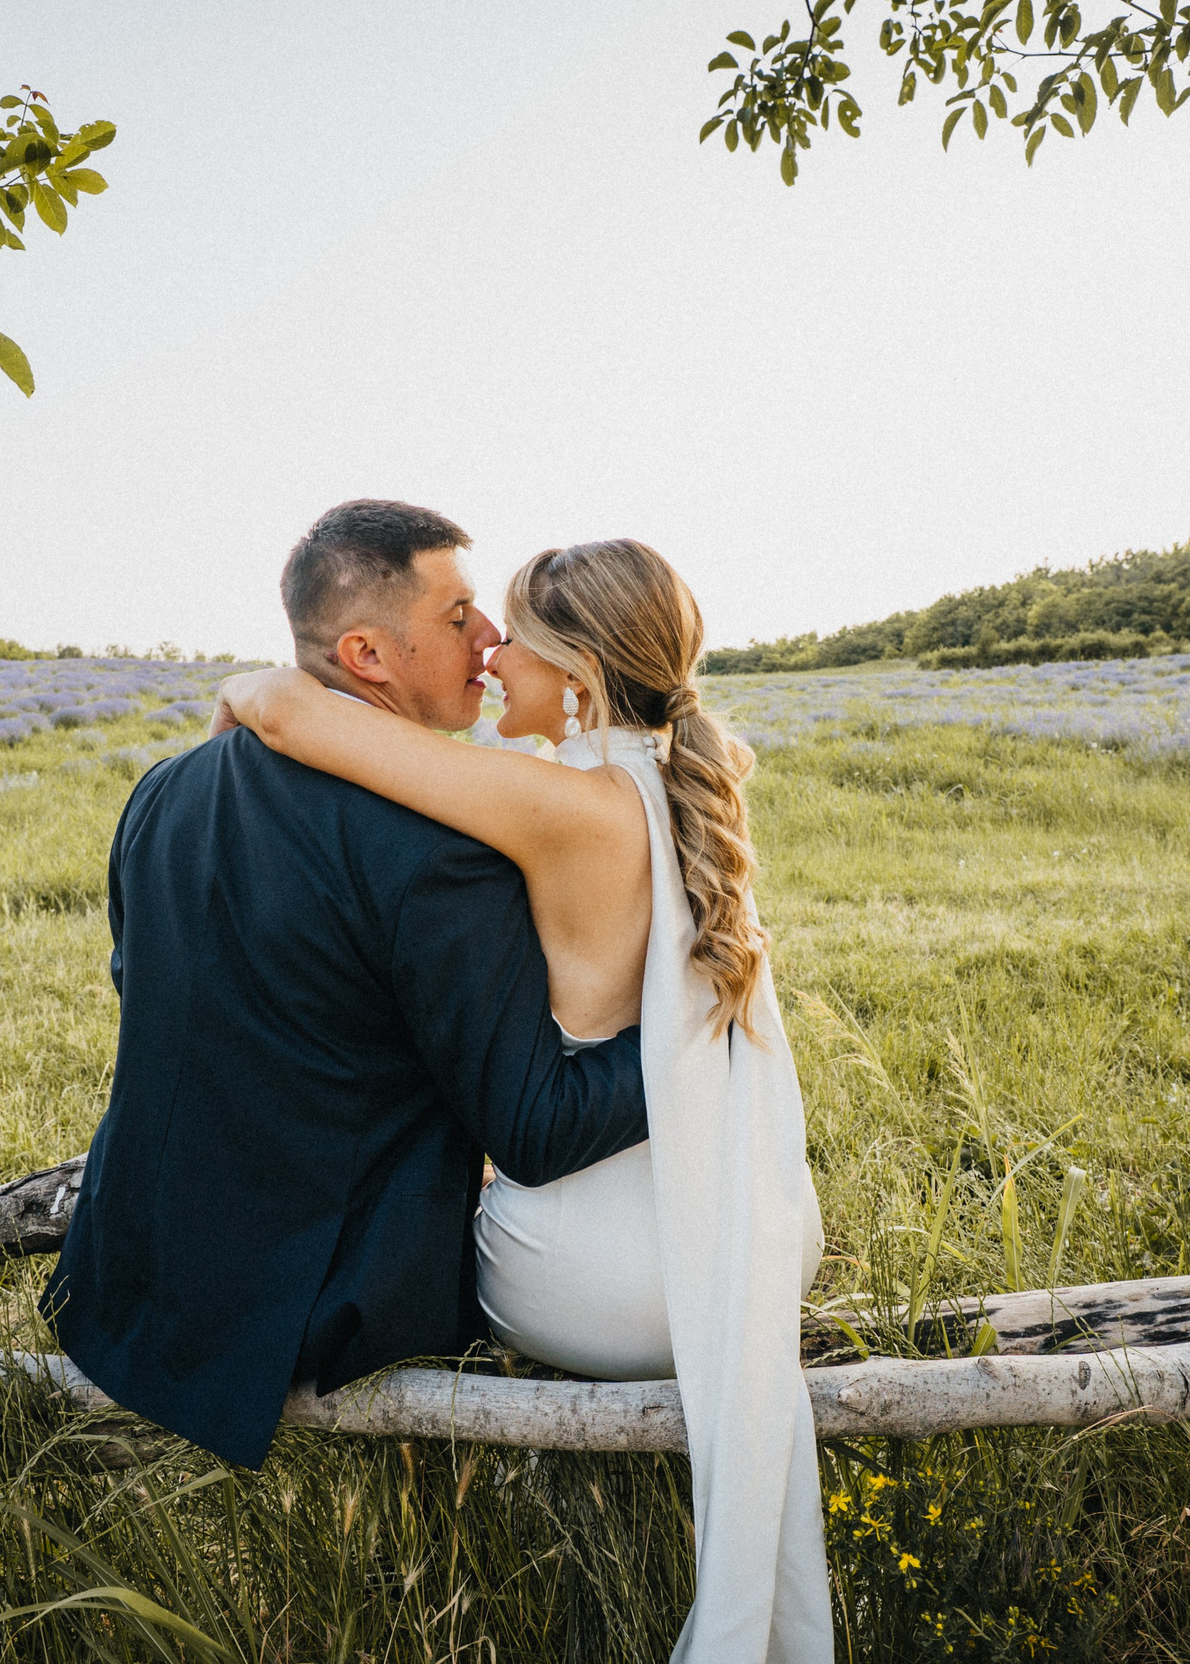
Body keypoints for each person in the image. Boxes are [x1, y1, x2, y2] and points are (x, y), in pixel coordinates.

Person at [212, 535, 832, 1664]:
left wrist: (245, 685)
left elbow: (301, 720)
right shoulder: (681, 789)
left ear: (581, 675)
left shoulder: (564, 803)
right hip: (755, 1242)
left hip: (600, 1295)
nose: (491, 658)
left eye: (513, 638)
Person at [41, 500, 651, 1471]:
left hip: (131, 1271)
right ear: (368, 654)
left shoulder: (163, 788)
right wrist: (702, 1040)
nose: (490, 639)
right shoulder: (448, 855)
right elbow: (534, 1130)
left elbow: (142, 984)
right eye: (458, 617)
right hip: (321, 1310)